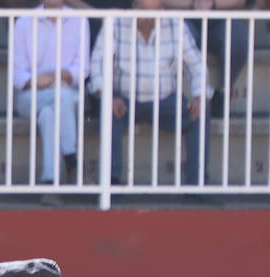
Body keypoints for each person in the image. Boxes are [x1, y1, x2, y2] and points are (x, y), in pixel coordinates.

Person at [87, 0, 210, 188]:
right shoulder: (116, 23)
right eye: (145, 10)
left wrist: (200, 96)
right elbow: (97, 65)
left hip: (165, 102)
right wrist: (108, 96)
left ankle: (198, 184)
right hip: (124, 102)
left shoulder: (176, 25)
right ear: (134, 7)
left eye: (155, 12)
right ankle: (110, 182)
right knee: (107, 109)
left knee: (200, 114)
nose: (150, 18)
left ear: (162, 9)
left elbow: (198, 67)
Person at [11, 0, 89, 204]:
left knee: (48, 115)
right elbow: (17, 73)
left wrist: (57, 76)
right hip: (31, 95)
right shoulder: (24, 22)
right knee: (60, 95)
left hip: (67, 94)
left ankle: (50, 183)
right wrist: (39, 81)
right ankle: (72, 160)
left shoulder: (79, 21)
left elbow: (83, 69)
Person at [164, 0, 249, 117]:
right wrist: (193, 4)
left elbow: (241, 2)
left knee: (238, 38)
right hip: (184, 18)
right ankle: (178, 96)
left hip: (222, 18)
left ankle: (222, 94)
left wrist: (212, 3)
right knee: (175, 35)